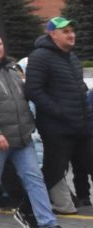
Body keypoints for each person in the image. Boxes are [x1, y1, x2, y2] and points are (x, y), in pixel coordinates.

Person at [0, 32, 78, 228]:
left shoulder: (10, 70)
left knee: (34, 178)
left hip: (22, 138)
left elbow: (24, 99)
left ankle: (48, 224)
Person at [24, 17, 93, 214]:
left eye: (72, 30)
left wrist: (86, 114)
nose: (71, 35)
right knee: (54, 171)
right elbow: (33, 90)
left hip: (81, 125)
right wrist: (59, 112)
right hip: (58, 128)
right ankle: (27, 209)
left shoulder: (71, 57)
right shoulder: (40, 56)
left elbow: (79, 88)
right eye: (65, 31)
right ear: (52, 34)